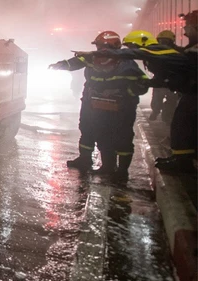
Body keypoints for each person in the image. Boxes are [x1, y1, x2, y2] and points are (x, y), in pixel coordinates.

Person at [104, 12, 196, 173]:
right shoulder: (188, 49)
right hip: (189, 93)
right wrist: (153, 82)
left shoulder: (178, 51)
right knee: (183, 125)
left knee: (182, 125)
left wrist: (107, 53)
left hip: (193, 94)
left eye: (188, 26)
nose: (185, 31)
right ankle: (183, 159)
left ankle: (183, 162)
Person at [49, 30, 148, 178]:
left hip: (121, 106)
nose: (99, 49)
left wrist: (126, 94)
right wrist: (61, 65)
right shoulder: (93, 58)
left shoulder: (127, 63)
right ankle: (99, 164)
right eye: (98, 46)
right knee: (93, 130)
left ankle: (121, 171)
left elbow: (142, 83)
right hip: (94, 103)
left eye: (101, 46)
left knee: (122, 136)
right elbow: (77, 62)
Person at [149, 29, 180, 122]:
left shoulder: (177, 52)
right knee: (156, 98)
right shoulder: (156, 51)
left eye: (165, 41)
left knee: (172, 101)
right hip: (160, 78)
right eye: (161, 41)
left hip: (173, 81)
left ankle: (167, 117)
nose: (163, 43)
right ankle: (155, 111)